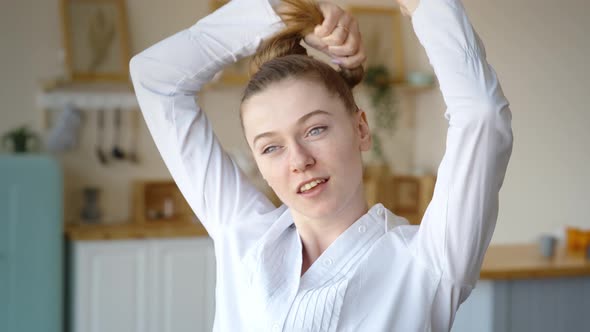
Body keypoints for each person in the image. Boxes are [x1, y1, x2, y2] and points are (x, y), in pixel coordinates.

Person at [129, 0, 513, 330]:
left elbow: (482, 117)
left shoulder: (428, 263)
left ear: (360, 129)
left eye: (314, 130)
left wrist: (424, 6)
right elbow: (155, 78)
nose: (299, 161)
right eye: (271, 148)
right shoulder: (243, 237)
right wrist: (292, 13)